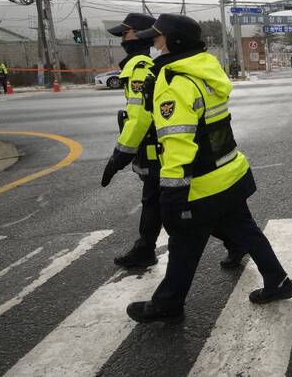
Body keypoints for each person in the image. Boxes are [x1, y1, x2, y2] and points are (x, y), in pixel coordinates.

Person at [126, 14, 292, 323]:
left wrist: (173, 191)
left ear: (173, 40)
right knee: (246, 230)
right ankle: (278, 280)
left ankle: (167, 304)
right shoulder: (205, 70)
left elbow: (178, 141)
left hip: (202, 182)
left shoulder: (175, 80)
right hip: (229, 171)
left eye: (158, 36)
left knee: (183, 244)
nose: (153, 41)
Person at [101, 14, 245, 270]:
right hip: (156, 149)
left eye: (126, 33)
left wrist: (120, 155)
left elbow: (140, 117)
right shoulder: (146, 64)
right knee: (156, 202)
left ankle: (233, 243)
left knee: (182, 209)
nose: (123, 39)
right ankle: (146, 247)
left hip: (162, 151)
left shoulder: (140, 67)